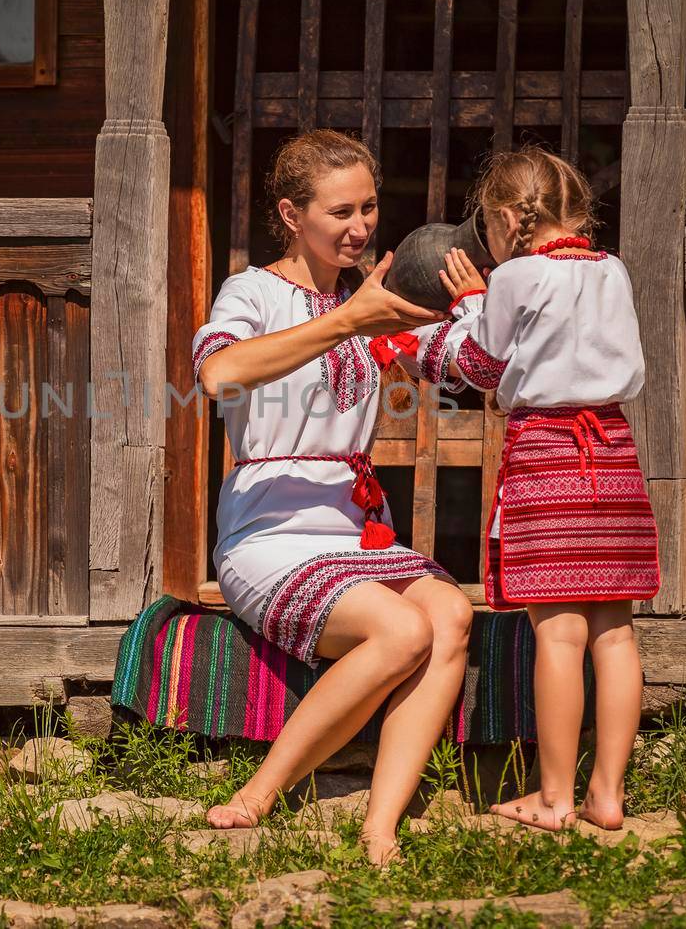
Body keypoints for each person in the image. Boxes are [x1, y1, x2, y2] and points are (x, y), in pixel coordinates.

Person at [191, 128, 484, 866]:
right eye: (340, 211)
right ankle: (261, 793)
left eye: (370, 208)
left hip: (356, 530)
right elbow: (218, 375)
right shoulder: (252, 291)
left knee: (448, 612)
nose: (360, 227)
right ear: (291, 214)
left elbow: (463, 372)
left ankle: (379, 825)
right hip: (271, 532)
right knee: (401, 631)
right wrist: (348, 319)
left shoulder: (369, 298)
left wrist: (472, 306)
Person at [444, 144, 660, 832]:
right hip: (614, 454)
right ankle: (608, 794)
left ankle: (555, 796)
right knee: (616, 633)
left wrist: (469, 305)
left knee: (559, 635)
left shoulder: (513, 276)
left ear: (508, 219)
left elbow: (480, 367)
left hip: (547, 453)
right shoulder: (613, 270)